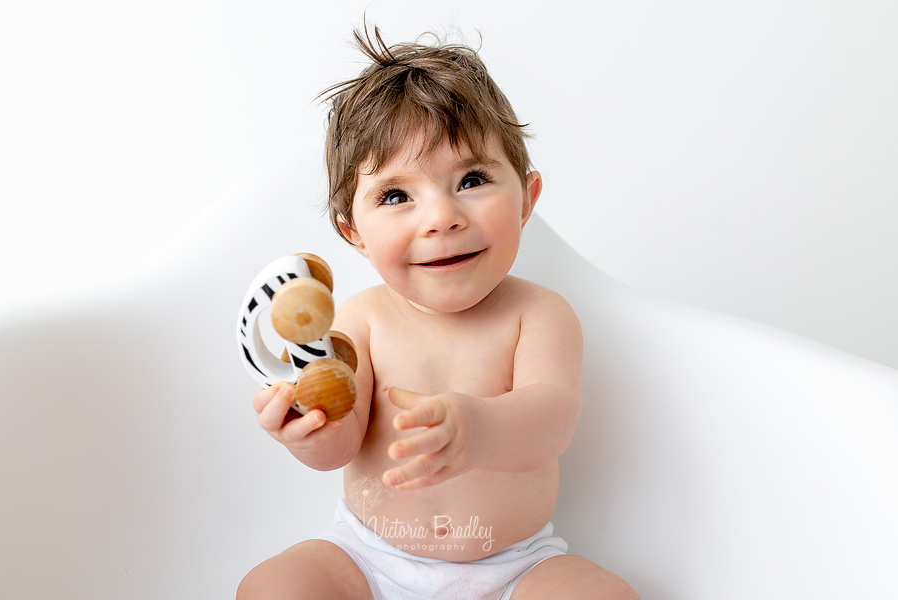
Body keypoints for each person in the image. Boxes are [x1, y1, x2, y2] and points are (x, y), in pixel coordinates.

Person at [238, 24, 640, 600]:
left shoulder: (539, 315)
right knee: (275, 587)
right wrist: (306, 433)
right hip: (369, 558)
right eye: (396, 196)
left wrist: (478, 430)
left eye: (471, 179)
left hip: (515, 566)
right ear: (352, 230)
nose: (441, 218)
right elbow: (340, 446)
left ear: (527, 200)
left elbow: (551, 420)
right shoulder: (363, 320)